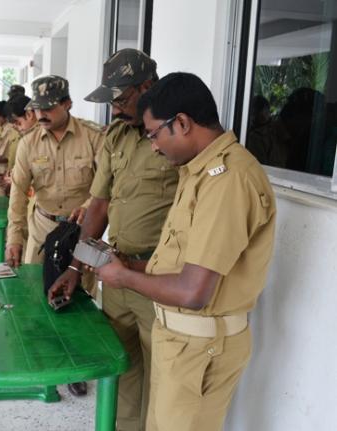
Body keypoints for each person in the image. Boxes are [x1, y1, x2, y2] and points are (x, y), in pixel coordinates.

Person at [70, 72, 276, 431]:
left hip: (200, 344)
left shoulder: (227, 180)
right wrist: (129, 265)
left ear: (181, 123)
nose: (152, 146)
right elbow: (183, 261)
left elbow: (193, 292)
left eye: (154, 135)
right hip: (182, 339)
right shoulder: (197, 171)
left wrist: (124, 277)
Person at [49, 49, 178, 431]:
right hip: (116, 273)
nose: (115, 109)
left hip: (159, 279)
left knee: (164, 383)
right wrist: (76, 267)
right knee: (122, 372)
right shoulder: (116, 136)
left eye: (121, 99)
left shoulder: (176, 136)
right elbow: (99, 205)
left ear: (147, 86)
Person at [5, 75, 104, 396]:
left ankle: (75, 364)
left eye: (48, 108)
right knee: (35, 292)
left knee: (79, 298)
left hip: (81, 231)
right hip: (42, 227)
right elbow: (17, 194)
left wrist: (88, 206)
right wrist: (14, 238)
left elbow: (108, 184)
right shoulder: (29, 143)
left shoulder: (93, 138)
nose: (41, 115)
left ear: (67, 104)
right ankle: (43, 355)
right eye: (37, 109)